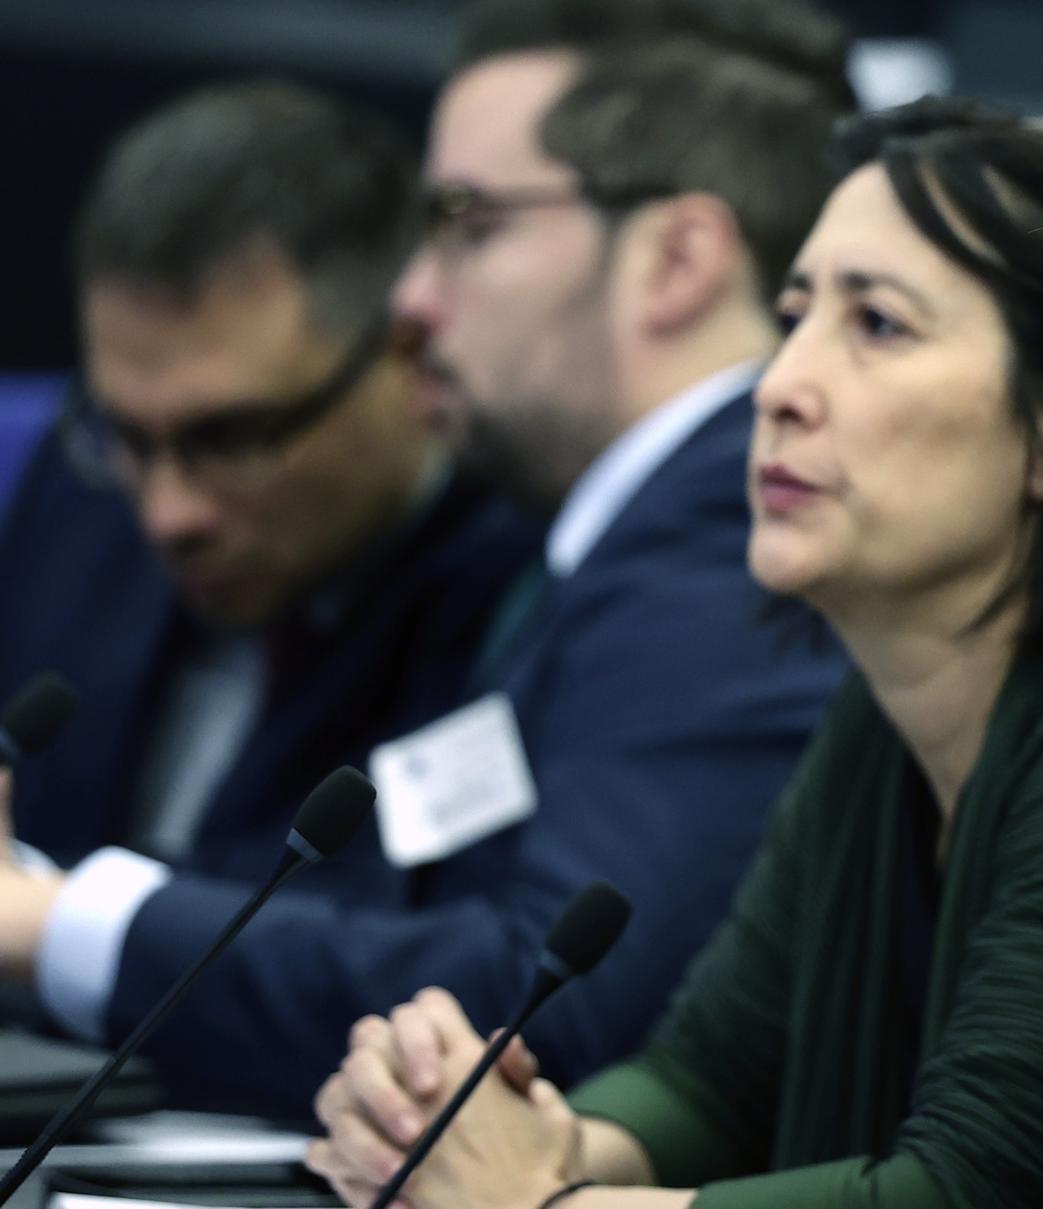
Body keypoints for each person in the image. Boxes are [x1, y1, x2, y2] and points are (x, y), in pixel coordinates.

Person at [305, 100, 1043, 1209]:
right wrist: (503, 1138)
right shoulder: (879, 722)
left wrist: (538, 1207)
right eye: (792, 317)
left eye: (877, 326)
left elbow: (978, 1192)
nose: (780, 386)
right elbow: (709, 1082)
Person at [0, 2, 854, 1113]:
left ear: (676, 260)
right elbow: (401, 900)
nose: (411, 299)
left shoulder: (730, 536)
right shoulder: (617, 538)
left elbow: (549, 1003)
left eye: (468, 221)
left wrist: (52, 924)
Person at [0, 80, 535, 1035]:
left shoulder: (523, 585)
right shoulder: (82, 484)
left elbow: (437, 964)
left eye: (236, 437)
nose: (169, 512)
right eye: (131, 436)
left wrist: (49, 919)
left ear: (407, 356)